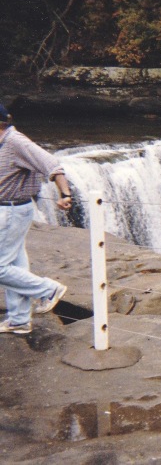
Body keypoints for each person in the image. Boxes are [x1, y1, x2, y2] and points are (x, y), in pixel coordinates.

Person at [0, 103, 71, 335]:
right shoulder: (4, 142)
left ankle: (48, 290)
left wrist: (65, 194)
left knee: (1, 268)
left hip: (11, 211)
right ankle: (19, 320)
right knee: (14, 265)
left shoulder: (15, 142)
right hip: (11, 210)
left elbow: (51, 164)